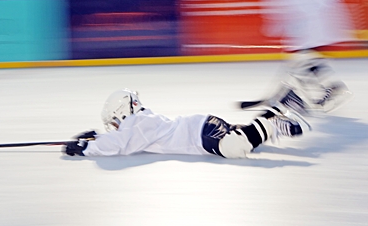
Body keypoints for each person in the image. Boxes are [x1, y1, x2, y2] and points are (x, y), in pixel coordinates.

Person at [246, 0, 354, 114]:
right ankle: (322, 91)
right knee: (303, 62)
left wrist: (276, 28)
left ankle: (327, 90)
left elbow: (284, 12)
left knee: (302, 61)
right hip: (317, 27)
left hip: (314, 28)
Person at [64, 88, 309, 159]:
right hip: (204, 127)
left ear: (122, 112)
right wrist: (94, 135)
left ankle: (272, 122)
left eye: (115, 122)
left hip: (201, 134)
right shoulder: (143, 121)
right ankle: (275, 112)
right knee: (245, 141)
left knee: (234, 148)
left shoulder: (138, 124)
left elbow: (119, 144)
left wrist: (86, 148)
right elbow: (121, 138)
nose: (116, 126)